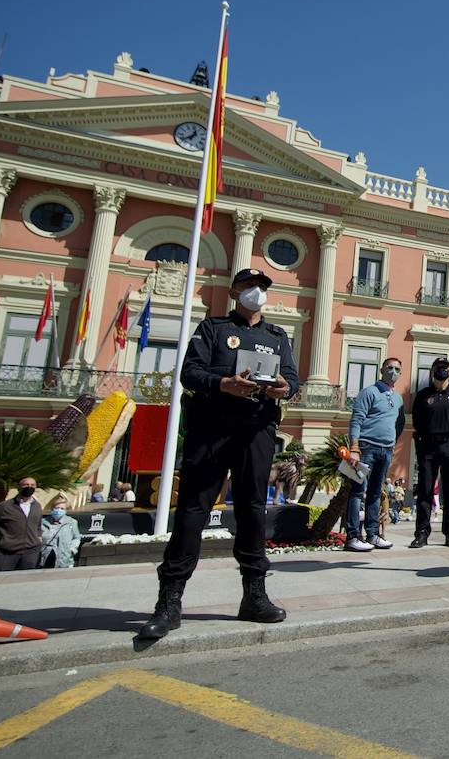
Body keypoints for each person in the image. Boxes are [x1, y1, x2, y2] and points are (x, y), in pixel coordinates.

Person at [139, 269, 298, 640]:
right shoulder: (212, 329)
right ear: (234, 292)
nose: (256, 293)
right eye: (248, 287)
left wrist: (284, 388)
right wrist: (224, 383)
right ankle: (169, 601)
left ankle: (254, 596)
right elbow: (190, 373)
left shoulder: (276, 336)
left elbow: (292, 379)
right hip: (212, 430)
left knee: (252, 511)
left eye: (261, 288)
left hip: (256, 431)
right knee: (194, 511)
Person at [345, 357, 406, 552]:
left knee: (375, 493)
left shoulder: (398, 398)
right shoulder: (369, 392)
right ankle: (353, 536)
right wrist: (354, 447)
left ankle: (372, 534)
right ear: (381, 370)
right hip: (365, 447)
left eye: (397, 369)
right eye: (390, 368)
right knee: (356, 491)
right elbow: (356, 420)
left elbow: (399, 423)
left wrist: (392, 442)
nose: (393, 371)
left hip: (385, 450)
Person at [410, 356, 449, 548]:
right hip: (428, 445)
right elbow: (417, 421)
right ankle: (421, 532)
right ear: (432, 371)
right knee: (426, 489)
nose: (441, 371)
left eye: (445, 367)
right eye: (438, 367)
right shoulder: (422, 396)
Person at [0, 477, 43, 571]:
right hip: (7, 552)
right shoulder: (5, 506)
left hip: (30, 552)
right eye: (26, 485)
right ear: (19, 487)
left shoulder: (37, 506)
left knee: (26, 581)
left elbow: (38, 525)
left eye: (32, 485)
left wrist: (38, 536)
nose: (29, 487)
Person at [40, 494, 82, 568]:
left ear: (66, 510)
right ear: (52, 509)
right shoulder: (43, 522)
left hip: (64, 558)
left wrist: (71, 550)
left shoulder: (71, 522)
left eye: (62, 509)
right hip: (45, 557)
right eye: (57, 508)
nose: (59, 510)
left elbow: (77, 538)